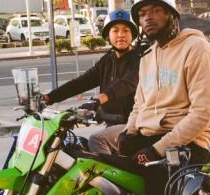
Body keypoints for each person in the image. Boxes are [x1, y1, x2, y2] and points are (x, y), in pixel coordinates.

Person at [119, 0, 210, 195]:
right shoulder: (147, 56)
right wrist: (129, 132)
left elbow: (201, 115)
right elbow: (139, 103)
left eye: (156, 10)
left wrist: (156, 151)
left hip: (186, 144)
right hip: (150, 138)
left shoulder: (197, 49)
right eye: (142, 14)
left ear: (171, 15)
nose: (148, 18)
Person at [43, 10, 141, 153]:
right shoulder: (108, 60)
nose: (121, 34)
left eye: (126, 30)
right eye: (115, 30)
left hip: (133, 125)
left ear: (132, 34)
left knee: (96, 140)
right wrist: (49, 97)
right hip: (111, 124)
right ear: (108, 36)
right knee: (74, 147)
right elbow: (82, 82)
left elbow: (126, 84)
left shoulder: (140, 58)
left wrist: (97, 100)